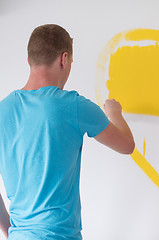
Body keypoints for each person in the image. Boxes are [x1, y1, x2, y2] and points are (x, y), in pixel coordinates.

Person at [0, 24, 135, 239]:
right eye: (71, 62)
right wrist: (115, 113)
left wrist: (10, 230)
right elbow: (127, 146)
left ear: (29, 61)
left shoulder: (2, 110)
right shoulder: (73, 105)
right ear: (64, 59)